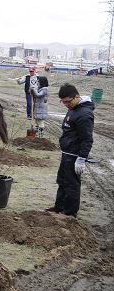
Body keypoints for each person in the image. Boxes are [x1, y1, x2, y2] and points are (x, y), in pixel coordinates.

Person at [49, 84, 94, 217]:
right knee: (62, 181)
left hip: (74, 155)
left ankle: (69, 213)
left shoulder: (84, 114)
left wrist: (81, 158)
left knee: (71, 184)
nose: (66, 104)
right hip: (67, 153)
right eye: (63, 102)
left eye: (68, 101)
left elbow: (87, 139)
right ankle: (59, 207)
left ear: (77, 97)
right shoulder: (73, 108)